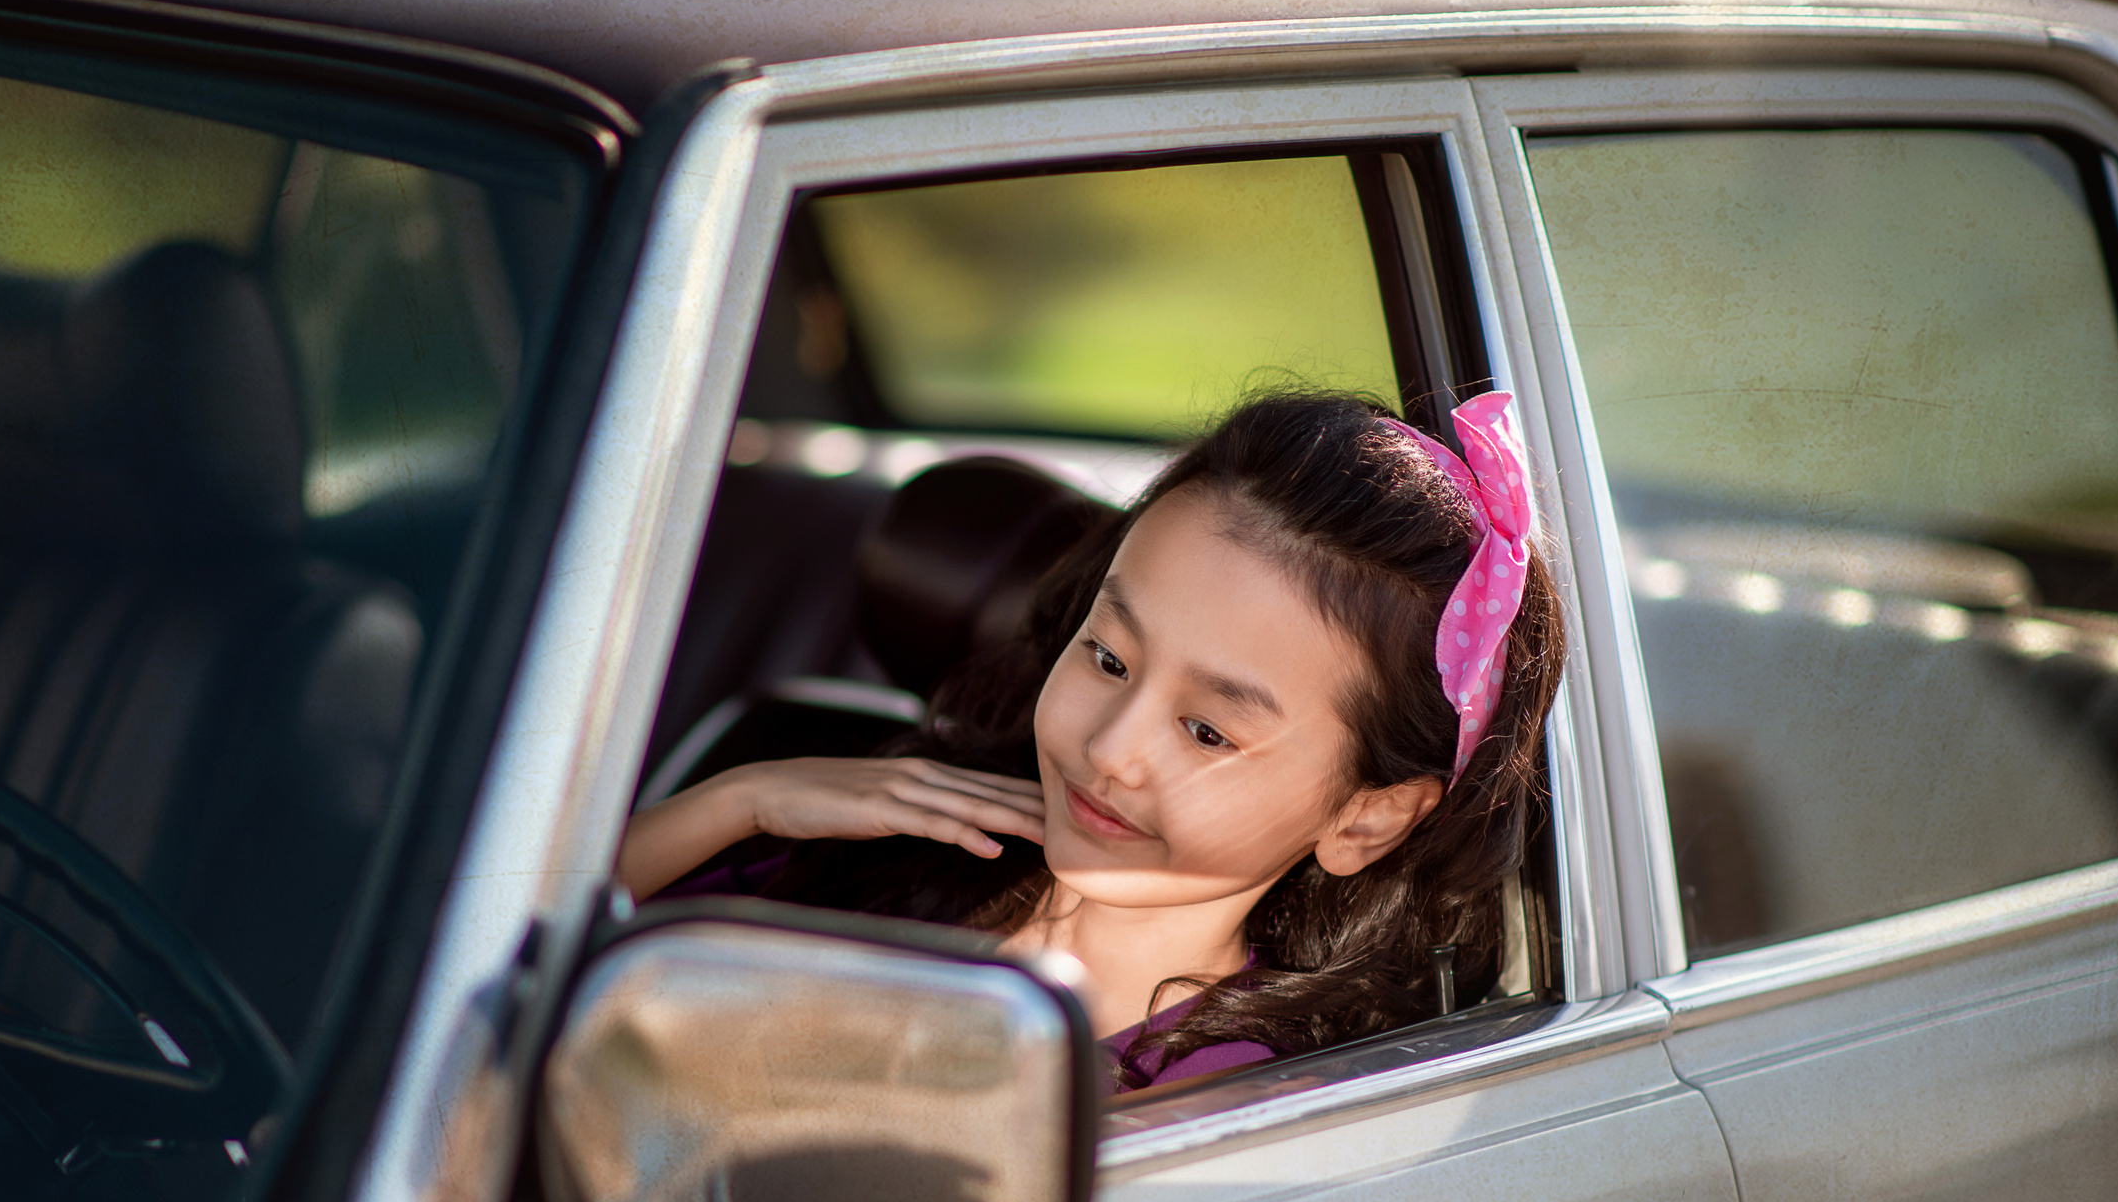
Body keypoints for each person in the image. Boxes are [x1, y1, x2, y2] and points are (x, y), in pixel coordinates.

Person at [619, 389, 1567, 1091]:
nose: (1113, 748)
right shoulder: (884, 856)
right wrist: (732, 802)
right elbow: (496, 969)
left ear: (1366, 817)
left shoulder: (1215, 1092)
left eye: (1206, 730)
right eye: (1109, 659)